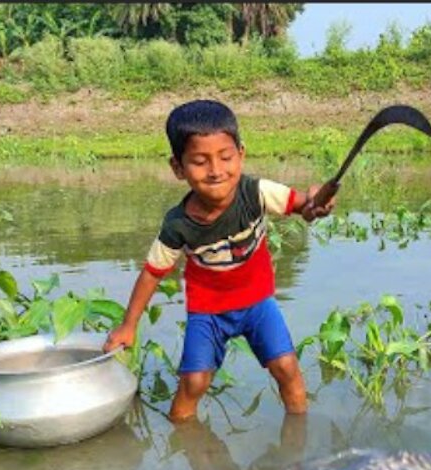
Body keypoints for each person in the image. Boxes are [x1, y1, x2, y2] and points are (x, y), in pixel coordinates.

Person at [103, 99, 336, 422]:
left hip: (258, 303)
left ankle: (297, 446)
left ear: (240, 154)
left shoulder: (256, 192)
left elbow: (303, 205)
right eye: (200, 161)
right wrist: (129, 325)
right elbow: (152, 273)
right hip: (208, 311)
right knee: (194, 383)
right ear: (178, 167)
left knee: (286, 368)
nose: (215, 171)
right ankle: (183, 441)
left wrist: (315, 204)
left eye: (225, 157)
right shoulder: (178, 224)